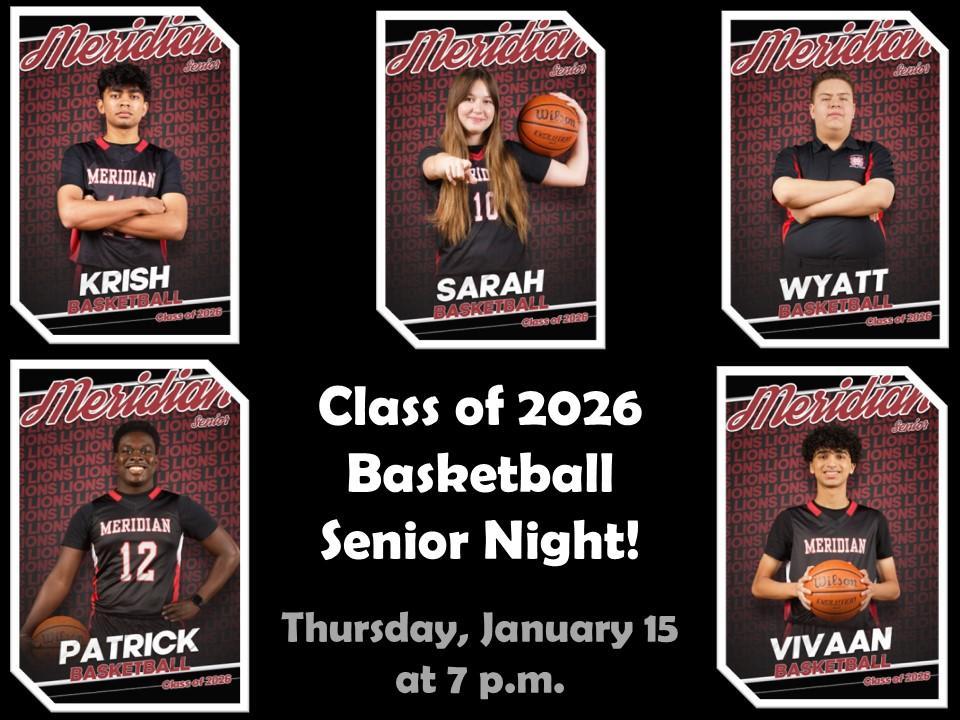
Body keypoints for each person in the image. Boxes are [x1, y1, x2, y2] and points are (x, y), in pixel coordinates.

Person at [20, 421, 240, 652]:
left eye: (146, 451)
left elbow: (230, 553)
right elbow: (61, 578)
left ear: (156, 460)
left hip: (163, 631)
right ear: (115, 460)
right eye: (127, 451)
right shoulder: (90, 512)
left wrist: (198, 600)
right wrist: (26, 630)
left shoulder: (179, 506)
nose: (136, 456)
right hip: (107, 629)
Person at [419, 68, 588, 276]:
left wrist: (582, 125)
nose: (478, 109)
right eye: (469, 99)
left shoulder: (512, 154)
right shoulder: (435, 153)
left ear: (496, 109)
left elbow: (576, 176)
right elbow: (432, 166)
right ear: (454, 105)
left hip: (513, 282)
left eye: (487, 101)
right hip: (456, 283)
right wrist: (448, 163)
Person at [751, 424, 900, 638]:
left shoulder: (873, 520)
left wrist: (871, 589)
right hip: (804, 635)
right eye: (822, 456)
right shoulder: (790, 519)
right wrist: (796, 589)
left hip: (861, 635)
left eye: (840, 456)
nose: (831, 463)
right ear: (811, 466)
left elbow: (894, 588)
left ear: (852, 466)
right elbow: (759, 585)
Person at [57, 62, 188, 282]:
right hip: (93, 275)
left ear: (145, 107)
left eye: (134, 96)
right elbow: (70, 215)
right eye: (116, 95)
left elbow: (176, 227)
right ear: (101, 105)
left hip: (150, 274)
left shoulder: (164, 159)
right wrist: (142, 205)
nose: (125, 102)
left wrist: (94, 214)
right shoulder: (78, 154)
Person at [771, 70, 896, 276]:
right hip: (800, 273)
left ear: (854, 109)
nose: (835, 104)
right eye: (826, 98)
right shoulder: (792, 154)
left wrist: (809, 211)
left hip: (867, 271)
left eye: (843, 98)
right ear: (812, 110)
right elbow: (786, 193)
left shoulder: (874, 151)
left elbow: (880, 196)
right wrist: (853, 187)